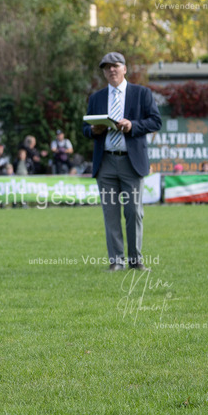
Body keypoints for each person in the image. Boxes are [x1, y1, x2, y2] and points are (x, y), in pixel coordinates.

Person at [83, 52, 162, 272]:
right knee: (110, 213)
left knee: (133, 212)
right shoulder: (96, 98)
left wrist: (132, 126)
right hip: (106, 162)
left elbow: (156, 121)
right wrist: (92, 130)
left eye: (115, 66)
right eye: (106, 67)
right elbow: (84, 128)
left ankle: (135, 260)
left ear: (124, 68)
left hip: (131, 162)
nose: (111, 70)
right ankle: (116, 261)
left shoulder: (141, 93)